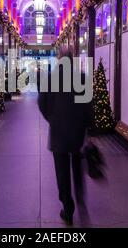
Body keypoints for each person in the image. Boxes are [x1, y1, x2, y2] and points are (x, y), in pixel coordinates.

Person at [38, 48, 92, 225]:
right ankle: (80, 196)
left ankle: (67, 207)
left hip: (58, 131)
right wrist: (86, 126)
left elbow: (42, 103)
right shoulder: (82, 77)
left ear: (60, 59)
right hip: (77, 131)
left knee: (61, 170)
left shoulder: (50, 78)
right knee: (77, 165)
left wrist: (52, 119)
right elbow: (88, 105)